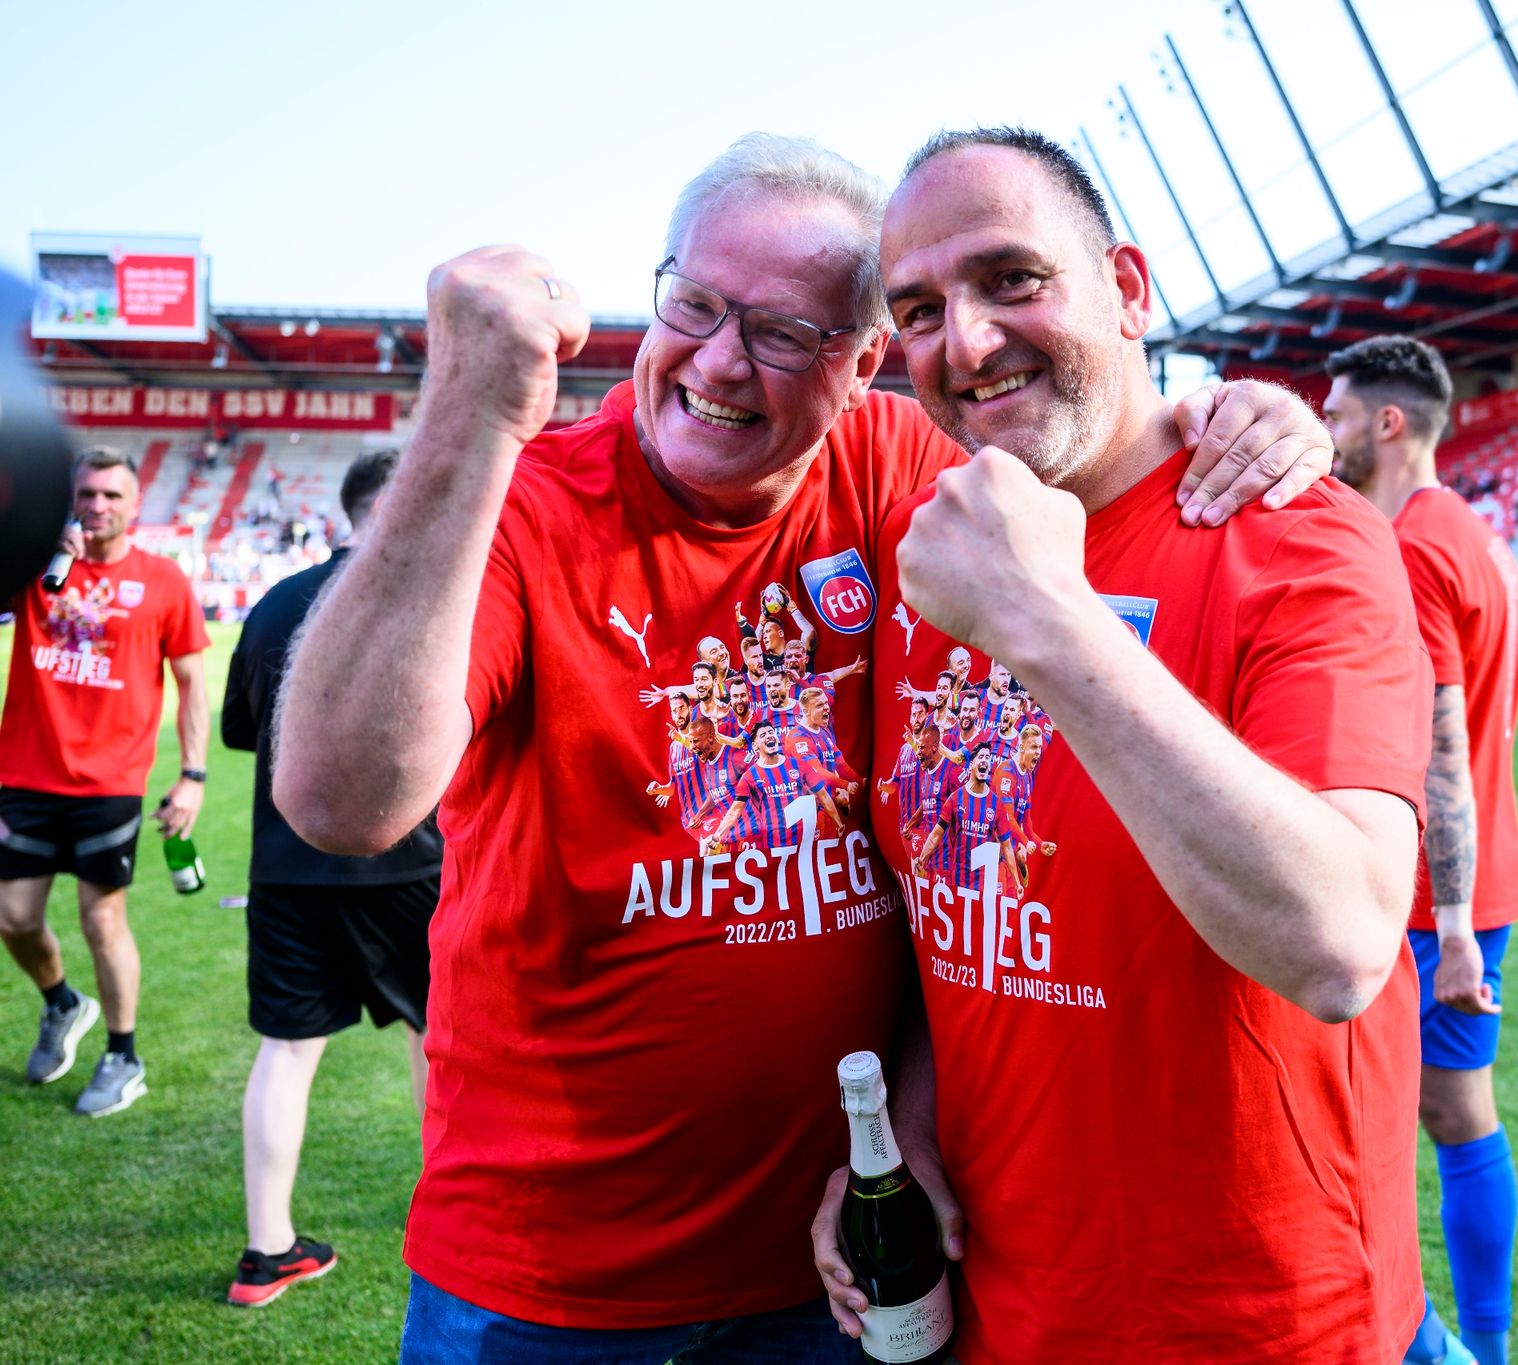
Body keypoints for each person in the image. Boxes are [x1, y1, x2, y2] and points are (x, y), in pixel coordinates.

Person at [272, 133, 1333, 1361]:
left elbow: (1091, 444)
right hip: (546, 1281)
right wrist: (465, 419)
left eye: (782, 333)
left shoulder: (897, 470)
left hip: (842, 1258)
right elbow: (341, 803)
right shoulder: (531, 502)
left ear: (865, 363)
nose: (720, 363)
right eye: (697, 307)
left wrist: (1233, 414)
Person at [812, 127, 1432, 1363]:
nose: (967, 342)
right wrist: (912, 1127)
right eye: (920, 309)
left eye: (1011, 278)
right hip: (1004, 1305)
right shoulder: (924, 554)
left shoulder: (1294, 538)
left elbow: (1339, 943)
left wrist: (1049, 622)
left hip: (1254, 1323)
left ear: (1130, 291)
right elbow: (973, 907)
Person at [1326, 335, 1518, 1365]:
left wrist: (1444, 928)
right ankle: (1474, 1346)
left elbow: (1440, 739)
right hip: (1478, 876)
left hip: (1423, 903)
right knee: (1454, 1116)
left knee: (1382, 1134)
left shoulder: (1408, 543)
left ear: (1386, 422)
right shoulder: (1479, 537)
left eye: (1336, 413)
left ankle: (1446, 1347)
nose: (1325, 430)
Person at [220, 450, 441, 1306]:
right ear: (391, 503)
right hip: (408, 861)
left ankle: (265, 1252)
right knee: (439, 1038)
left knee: (286, 1052)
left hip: (290, 865)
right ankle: (444, 1209)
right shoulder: (426, 596)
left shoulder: (276, 603)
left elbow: (245, 730)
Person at [0, 448, 208, 1118]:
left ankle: (123, 1054)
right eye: (87, 494)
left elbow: (191, 683)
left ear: (135, 503)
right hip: (26, 772)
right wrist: (29, 548)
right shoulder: (35, 565)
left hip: (110, 782)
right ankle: (63, 1002)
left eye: (112, 496)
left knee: (101, 917)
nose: (97, 507)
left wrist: (192, 776)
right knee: (13, 916)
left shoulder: (164, 580)